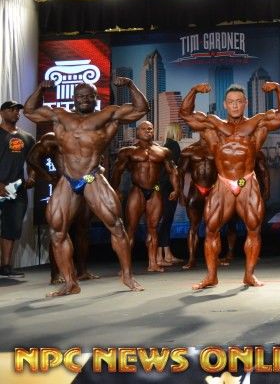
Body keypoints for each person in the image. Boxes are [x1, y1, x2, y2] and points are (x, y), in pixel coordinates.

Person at [23, 79, 149, 295]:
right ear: (74, 98)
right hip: (68, 179)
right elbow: (29, 111)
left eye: (89, 96)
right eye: (80, 96)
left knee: (116, 226)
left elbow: (140, 109)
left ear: (95, 98)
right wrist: (41, 89)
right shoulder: (60, 115)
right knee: (57, 232)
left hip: (92, 176)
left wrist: (130, 85)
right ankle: (70, 282)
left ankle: (127, 276)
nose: (84, 99)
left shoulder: (107, 115)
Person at [179, 82, 280, 289]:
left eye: (239, 101)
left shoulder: (258, 122)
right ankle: (211, 276)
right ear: (225, 104)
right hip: (223, 182)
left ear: (245, 102)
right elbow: (185, 114)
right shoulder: (213, 124)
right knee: (211, 229)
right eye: (231, 102)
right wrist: (193, 90)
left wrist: (277, 88)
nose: (235, 105)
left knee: (253, 230)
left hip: (246, 181)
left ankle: (249, 275)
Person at [25, 132, 98, 283]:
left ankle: (82, 271)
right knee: (59, 232)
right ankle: (55, 274)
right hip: (64, 186)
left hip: (84, 188)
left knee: (83, 231)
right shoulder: (53, 138)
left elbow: (97, 164)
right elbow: (32, 158)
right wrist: (46, 176)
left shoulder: (88, 137)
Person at [110, 121, 179, 272]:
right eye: (144, 129)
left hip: (154, 191)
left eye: (150, 128)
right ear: (137, 132)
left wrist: (176, 189)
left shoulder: (163, 151)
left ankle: (153, 263)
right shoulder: (129, 151)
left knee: (153, 229)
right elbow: (117, 170)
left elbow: (172, 170)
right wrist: (115, 189)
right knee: (131, 229)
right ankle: (126, 267)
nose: (148, 131)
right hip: (137, 191)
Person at [0, 100, 35, 278]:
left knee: (12, 227)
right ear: (2, 112)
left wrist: (32, 176)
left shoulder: (27, 138)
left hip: (16, 188)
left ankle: (5, 267)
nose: (16, 112)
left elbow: (33, 161)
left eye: (18, 110)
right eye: (12, 109)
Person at [156, 123, 184, 267]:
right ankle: (159, 256)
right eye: (181, 130)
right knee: (166, 221)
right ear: (176, 131)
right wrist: (176, 189)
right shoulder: (174, 146)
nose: (182, 133)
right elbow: (173, 171)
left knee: (165, 222)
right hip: (168, 188)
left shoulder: (166, 145)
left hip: (162, 187)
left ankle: (166, 254)